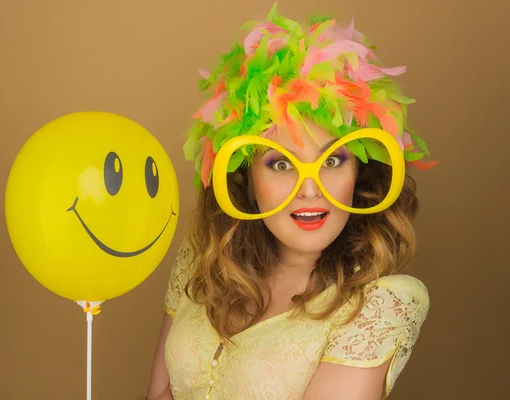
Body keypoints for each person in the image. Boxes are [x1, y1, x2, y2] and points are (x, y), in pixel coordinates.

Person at [143, 4, 436, 400]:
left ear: (360, 173)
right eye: (281, 163)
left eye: (332, 160)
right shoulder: (202, 260)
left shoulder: (381, 304)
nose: (311, 189)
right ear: (246, 178)